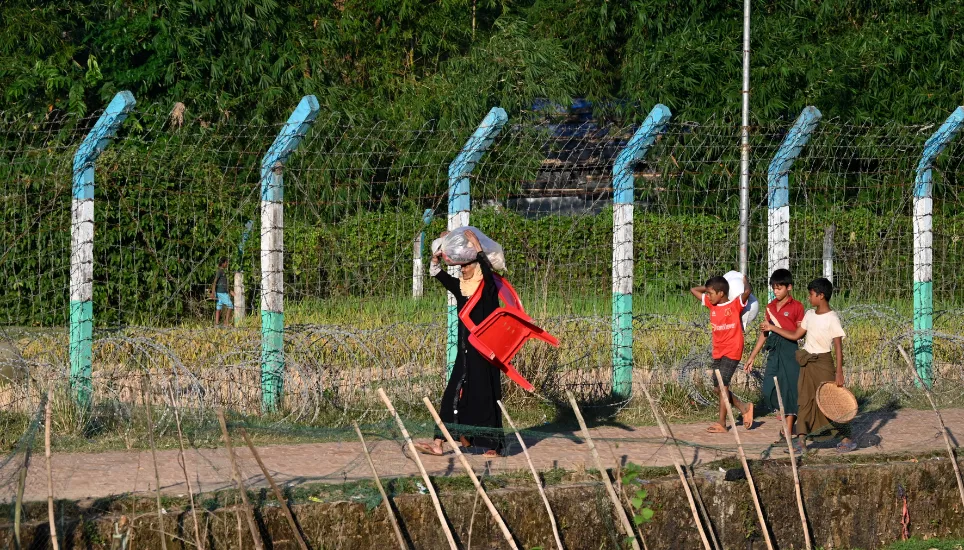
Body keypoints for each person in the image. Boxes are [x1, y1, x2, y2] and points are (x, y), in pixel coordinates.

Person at [416, 230, 505, 457]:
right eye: (462, 267)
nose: (463, 270)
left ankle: (493, 446)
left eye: (467, 266)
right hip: (465, 354)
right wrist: (436, 259)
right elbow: (438, 274)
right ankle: (438, 442)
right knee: (452, 395)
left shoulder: (487, 290)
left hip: (485, 354)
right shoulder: (461, 290)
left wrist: (477, 247)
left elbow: (488, 270)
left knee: (484, 397)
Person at [762, 277, 856, 453]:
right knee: (804, 401)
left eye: (811, 294)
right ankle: (802, 442)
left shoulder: (832, 318)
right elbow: (796, 335)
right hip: (806, 363)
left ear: (820, 296)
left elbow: (837, 346)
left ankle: (846, 437)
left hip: (823, 364)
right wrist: (773, 328)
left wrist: (839, 371)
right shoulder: (809, 315)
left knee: (829, 403)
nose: (808, 298)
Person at [744, 268, 805, 452]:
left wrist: (773, 327)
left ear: (789, 287)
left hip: (789, 350)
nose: (776, 291)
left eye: (779, 288)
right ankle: (787, 425)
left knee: (789, 391)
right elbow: (765, 333)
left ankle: (787, 432)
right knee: (769, 387)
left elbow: (796, 335)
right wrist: (752, 356)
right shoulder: (770, 307)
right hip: (774, 350)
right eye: (774, 288)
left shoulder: (797, 307)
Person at [691, 274, 754, 433]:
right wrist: (708, 288)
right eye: (708, 293)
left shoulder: (734, 305)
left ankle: (722, 423)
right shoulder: (712, 305)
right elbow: (693, 290)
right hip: (718, 352)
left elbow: (748, 291)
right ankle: (744, 407)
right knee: (717, 389)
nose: (708, 296)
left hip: (732, 349)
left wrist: (743, 279)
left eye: (711, 293)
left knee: (723, 385)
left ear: (721, 293)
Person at [210, 257, 234, 326]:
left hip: (220, 292)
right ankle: (226, 323)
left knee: (219, 307)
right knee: (230, 306)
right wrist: (213, 293)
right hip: (221, 292)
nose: (227, 264)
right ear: (223, 263)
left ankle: (216, 324)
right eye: (226, 262)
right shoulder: (220, 271)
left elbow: (223, 284)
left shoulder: (222, 271)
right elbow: (215, 282)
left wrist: (229, 291)